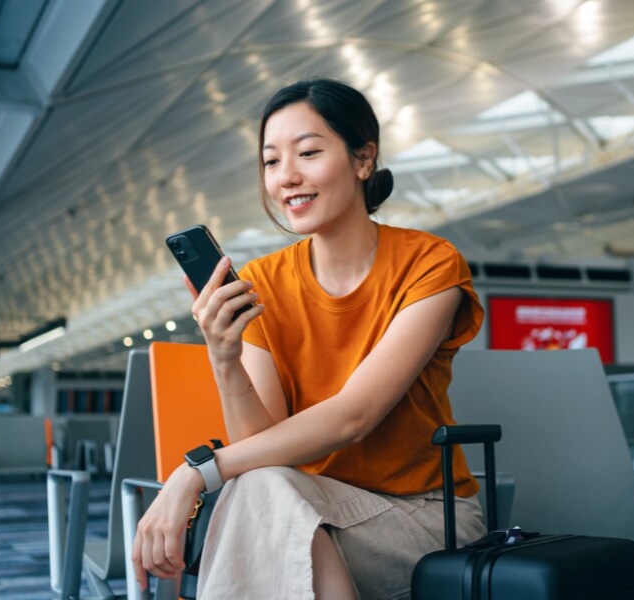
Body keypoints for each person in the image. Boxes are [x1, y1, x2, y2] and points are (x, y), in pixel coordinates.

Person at [131, 78, 487, 599]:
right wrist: (224, 356)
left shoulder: (429, 264)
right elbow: (263, 448)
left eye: (308, 152)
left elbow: (354, 417)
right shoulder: (265, 282)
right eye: (271, 161)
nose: (286, 177)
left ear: (363, 159)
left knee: (258, 496)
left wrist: (196, 474)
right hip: (301, 504)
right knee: (262, 489)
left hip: (424, 516)